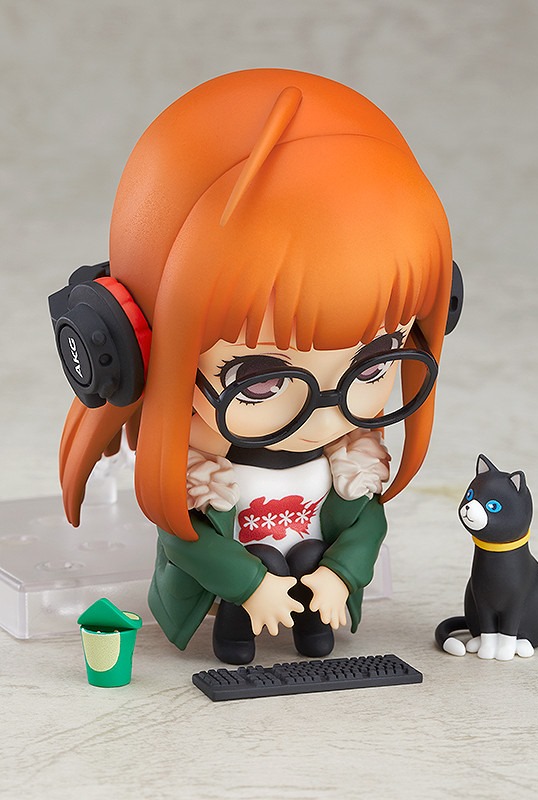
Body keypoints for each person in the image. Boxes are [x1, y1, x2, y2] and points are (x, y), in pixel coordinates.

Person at [53, 68, 459, 664]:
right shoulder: (201, 478)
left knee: (311, 586)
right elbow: (188, 542)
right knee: (249, 595)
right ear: (131, 350)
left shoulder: (349, 467)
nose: (325, 419)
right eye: (263, 381)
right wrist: (249, 586)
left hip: (311, 579)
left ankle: (314, 633)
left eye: (373, 366)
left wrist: (339, 575)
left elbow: (365, 526)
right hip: (244, 588)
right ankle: (236, 633)